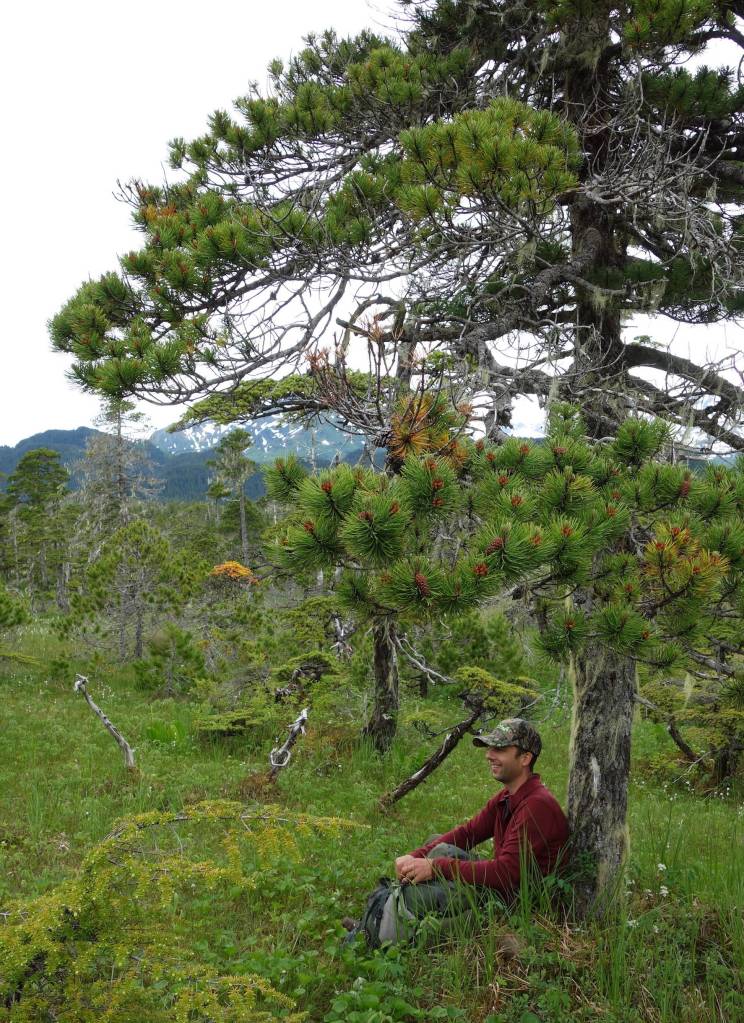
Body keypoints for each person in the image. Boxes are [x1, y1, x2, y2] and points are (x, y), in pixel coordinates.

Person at [355, 718, 569, 945]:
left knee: (423, 894)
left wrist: (435, 867)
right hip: (502, 888)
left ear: (525, 758)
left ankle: (380, 935)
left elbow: (506, 874)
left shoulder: (537, 805)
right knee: (437, 844)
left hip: (515, 904)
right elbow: (468, 834)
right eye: (490, 748)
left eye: (500, 749)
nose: (489, 755)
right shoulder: (509, 796)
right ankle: (376, 923)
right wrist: (416, 857)